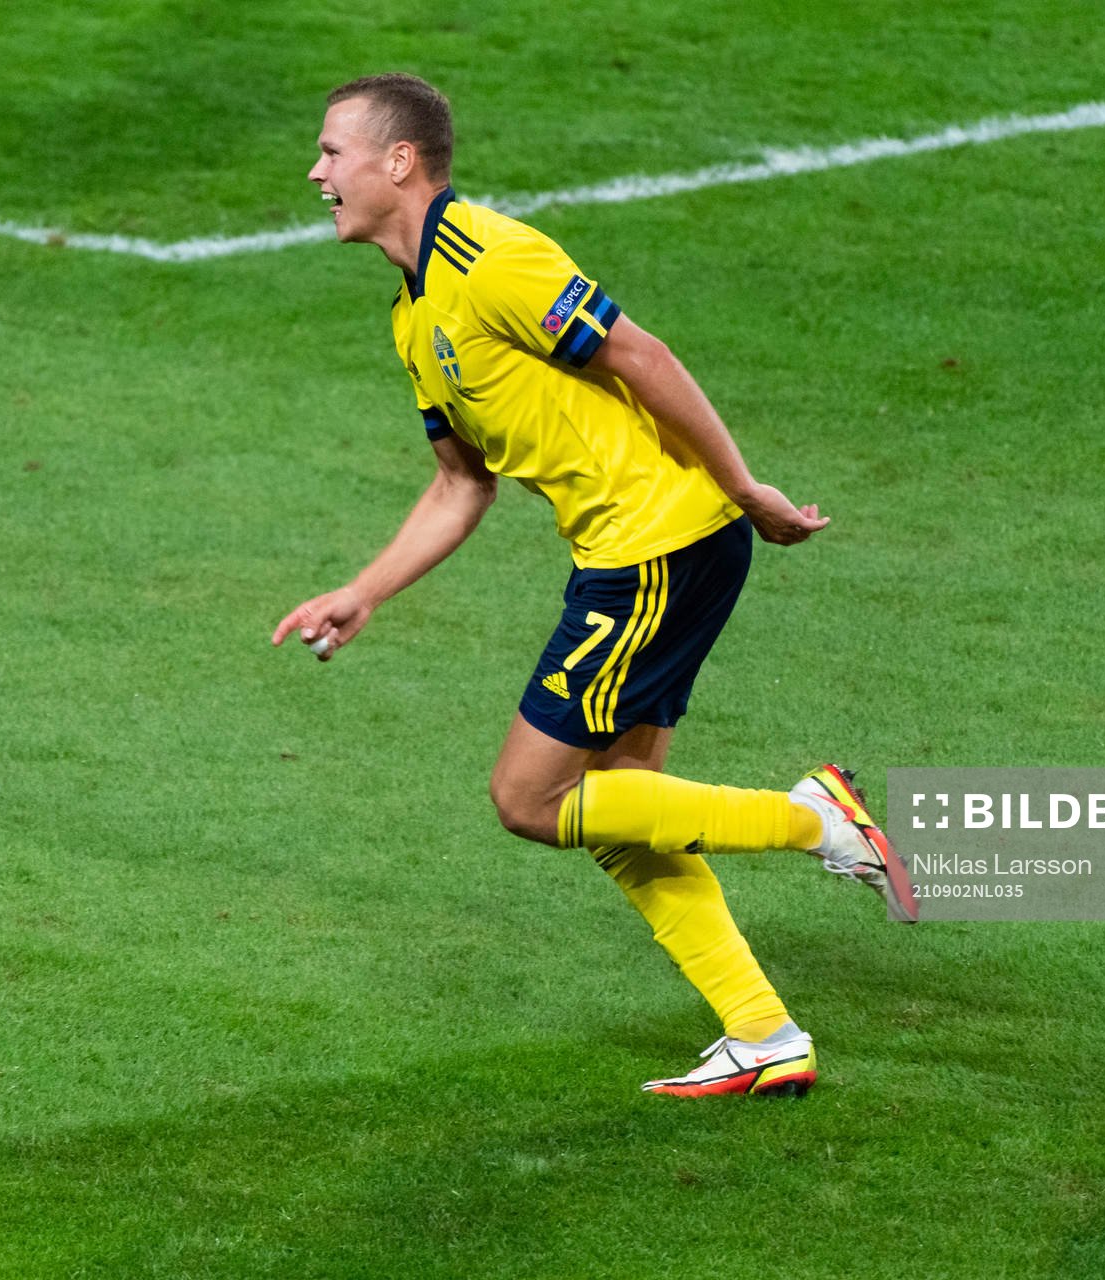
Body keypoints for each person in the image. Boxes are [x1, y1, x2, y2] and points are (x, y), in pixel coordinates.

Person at [272, 74, 917, 1098]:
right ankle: (764, 1031)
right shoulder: (413, 316)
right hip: (639, 549)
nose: (316, 173)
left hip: (657, 546)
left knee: (529, 797)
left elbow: (638, 351)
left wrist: (745, 486)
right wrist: (366, 590)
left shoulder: (490, 258)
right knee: (623, 813)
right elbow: (460, 482)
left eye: (332, 152)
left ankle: (817, 818)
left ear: (399, 162)